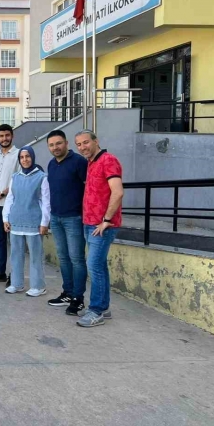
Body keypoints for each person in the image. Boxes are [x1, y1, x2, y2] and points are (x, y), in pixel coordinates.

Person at [75, 130, 124, 328]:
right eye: (78, 144)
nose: (82, 147)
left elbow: (118, 192)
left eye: (86, 142)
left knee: (93, 265)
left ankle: (96, 310)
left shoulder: (108, 160)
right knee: (99, 266)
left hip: (102, 226)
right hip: (90, 224)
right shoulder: (91, 162)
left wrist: (106, 220)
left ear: (96, 141)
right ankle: (103, 307)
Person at [46, 130, 89, 315]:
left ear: (66, 143)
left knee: (77, 259)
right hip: (56, 218)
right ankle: (68, 293)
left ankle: (78, 298)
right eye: (51, 145)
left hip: (74, 218)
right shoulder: (51, 164)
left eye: (58, 143)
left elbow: (89, 189)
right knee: (63, 258)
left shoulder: (79, 162)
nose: (55, 147)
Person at [2, 146, 51, 297]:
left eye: (28, 156)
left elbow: (46, 201)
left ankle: (38, 286)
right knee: (16, 254)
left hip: (34, 222)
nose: (25, 160)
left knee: (35, 255)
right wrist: (5, 218)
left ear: (33, 157)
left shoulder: (42, 177)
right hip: (16, 220)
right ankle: (16, 284)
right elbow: (10, 199)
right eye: (22, 157)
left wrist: (44, 222)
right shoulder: (15, 177)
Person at [0, 124, 20, 284]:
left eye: (7, 135)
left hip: (10, 204)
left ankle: (14, 275)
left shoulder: (19, 154)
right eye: (1, 136)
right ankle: (0, 271)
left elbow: (19, 180)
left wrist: (2, 193)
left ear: (12, 136)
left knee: (13, 241)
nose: (4, 138)